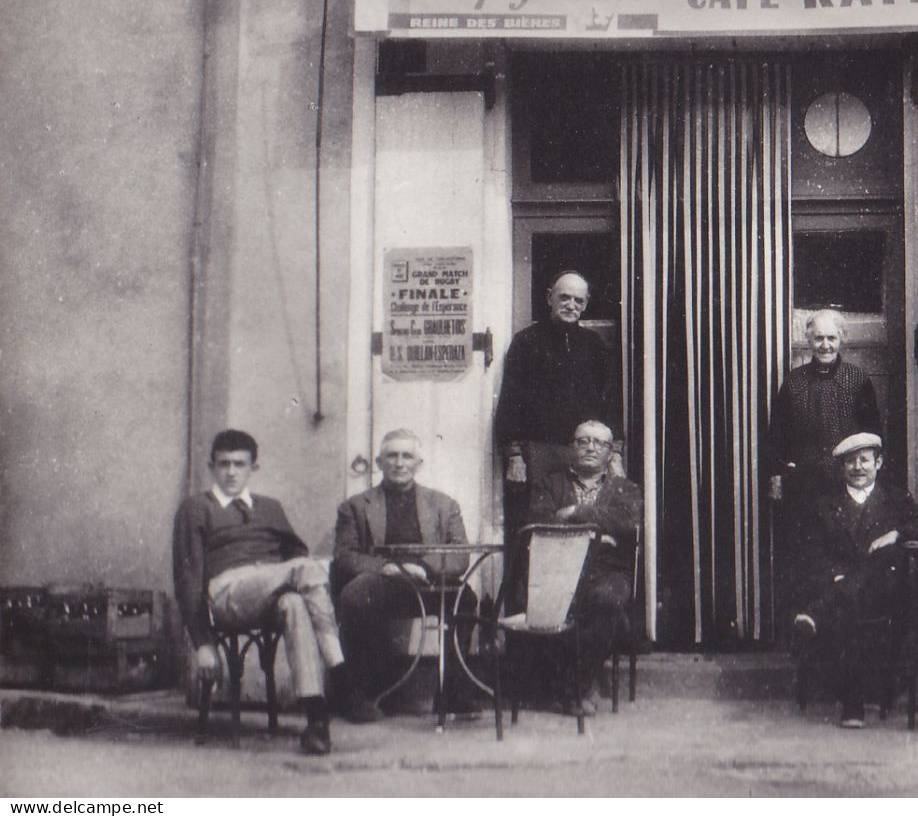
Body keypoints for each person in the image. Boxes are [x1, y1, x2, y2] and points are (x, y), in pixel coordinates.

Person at [171, 429, 350, 755]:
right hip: (225, 593)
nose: (231, 472)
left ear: (254, 467)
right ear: (212, 466)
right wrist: (202, 643)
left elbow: (296, 551)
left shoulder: (270, 508)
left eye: (240, 464)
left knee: (295, 602)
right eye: (223, 464)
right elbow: (187, 579)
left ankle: (316, 720)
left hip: (271, 591)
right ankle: (341, 670)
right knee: (306, 568)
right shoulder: (196, 508)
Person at [791, 431, 918, 729]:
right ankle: (853, 705)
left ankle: (816, 612)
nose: (858, 467)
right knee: (849, 608)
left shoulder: (895, 499)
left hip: (884, 593)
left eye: (864, 460)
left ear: (878, 463)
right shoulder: (826, 505)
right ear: (842, 468)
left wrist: (895, 534)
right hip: (842, 587)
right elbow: (812, 553)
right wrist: (834, 575)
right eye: (850, 462)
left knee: (878, 565)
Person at [331, 429, 474, 720]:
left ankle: (452, 693)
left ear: (418, 463)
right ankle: (363, 694)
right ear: (379, 462)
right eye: (391, 456)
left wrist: (423, 567)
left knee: (465, 599)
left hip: (427, 582)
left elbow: (460, 555)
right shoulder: (355, 507)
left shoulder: (444, 505)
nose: (399, 463)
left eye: (406, 456)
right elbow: (344, 556)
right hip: (381, 583)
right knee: (355, 595)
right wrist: (386, 568)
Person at [523, 418, 641, 715]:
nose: (590, 447)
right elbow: (539, 520)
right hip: (559, 568)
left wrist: (574, 512)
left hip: (608, 571)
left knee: (606, 600)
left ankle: (576, 686)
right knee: (549, 604)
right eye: (583, 441)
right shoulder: (549, 483)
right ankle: (574, 688)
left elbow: (626, 523)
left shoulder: (626, 489)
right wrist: (598, 532)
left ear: (611, 453)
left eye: (599, 443)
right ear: (570, 448)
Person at [493, 269, 619, 546]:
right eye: (564, 297)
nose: (571, 305)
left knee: (582, 525)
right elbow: (510, 400)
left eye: (578, 300)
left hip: (585, 451)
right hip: (538, 454)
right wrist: (514, 455)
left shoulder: (594, 346)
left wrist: (615, 453)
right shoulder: (526, 342)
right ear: (550, 298)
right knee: (537, 527)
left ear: (586, 304)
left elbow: (609, 401)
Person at [765, 308, 882, 504]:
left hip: (847, 480)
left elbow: (872, 433)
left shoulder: (857, 379)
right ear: (809, 340)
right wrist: (780, 471)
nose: (825, 345)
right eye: (819, 338)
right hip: (803, 481)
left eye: (831, 338)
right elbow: (777, 435)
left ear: (841, 339)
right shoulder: (795, 381)